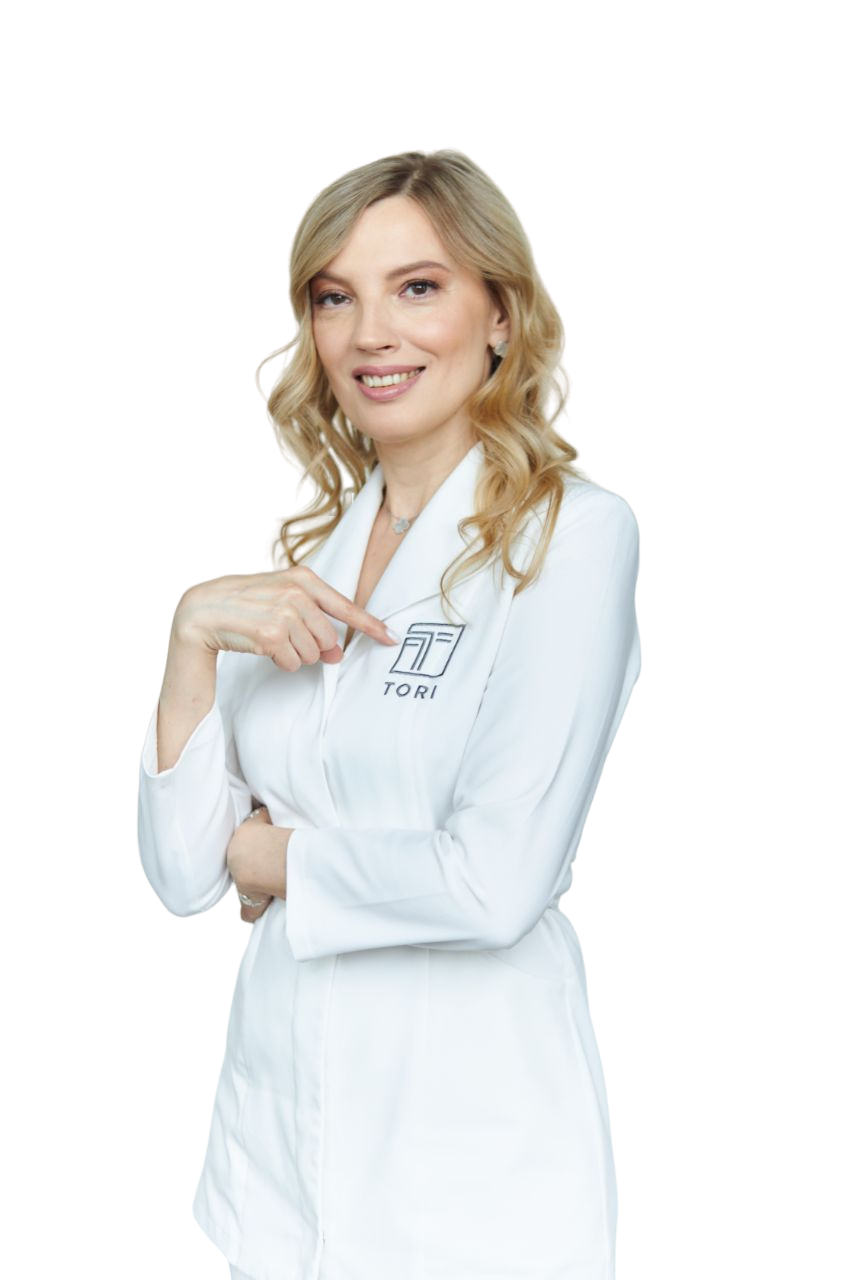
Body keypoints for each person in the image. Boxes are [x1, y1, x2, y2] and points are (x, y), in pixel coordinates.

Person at [136, 147, 642, 1280]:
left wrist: (270, 853)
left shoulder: (569, 535)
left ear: (500, 312)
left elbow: (494, 881)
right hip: (275, 1165)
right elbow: (181, 877)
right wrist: (189, 633)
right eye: (336, 297)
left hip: (468, 1170)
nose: (371, 333)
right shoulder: (299, 557)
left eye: (417, 287)